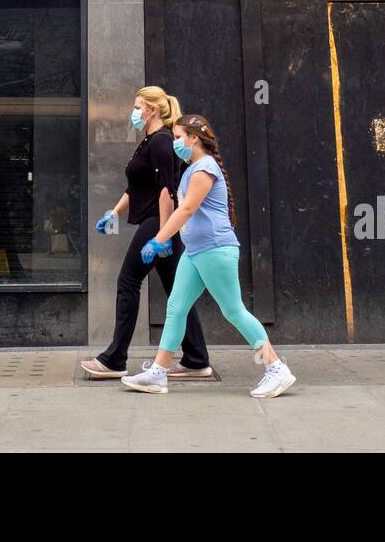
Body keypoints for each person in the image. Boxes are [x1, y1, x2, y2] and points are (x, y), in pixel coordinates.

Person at [122, 113, 295, 399]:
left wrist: (158, 238)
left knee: (233, 311)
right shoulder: (192, 168)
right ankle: (158, 373)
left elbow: (187, 209)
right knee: (176, 307)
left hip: (215, 249)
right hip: (196, 251)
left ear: (194, 138)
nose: (175, 142)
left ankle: (276, 369)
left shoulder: (204, 168)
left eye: (178, 137)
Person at [81, 87, 212, 380]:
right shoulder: (149, 142)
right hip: (157, 222)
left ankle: (115, 359)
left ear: (151, 110)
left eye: (138, 106)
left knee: (128, 281)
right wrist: (114, 212)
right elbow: (137, 187)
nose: (134, 112)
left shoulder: (162, 141)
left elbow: (166, 191)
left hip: (158, 221)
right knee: (178, 291)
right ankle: (196, 359)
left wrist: (161, 236)